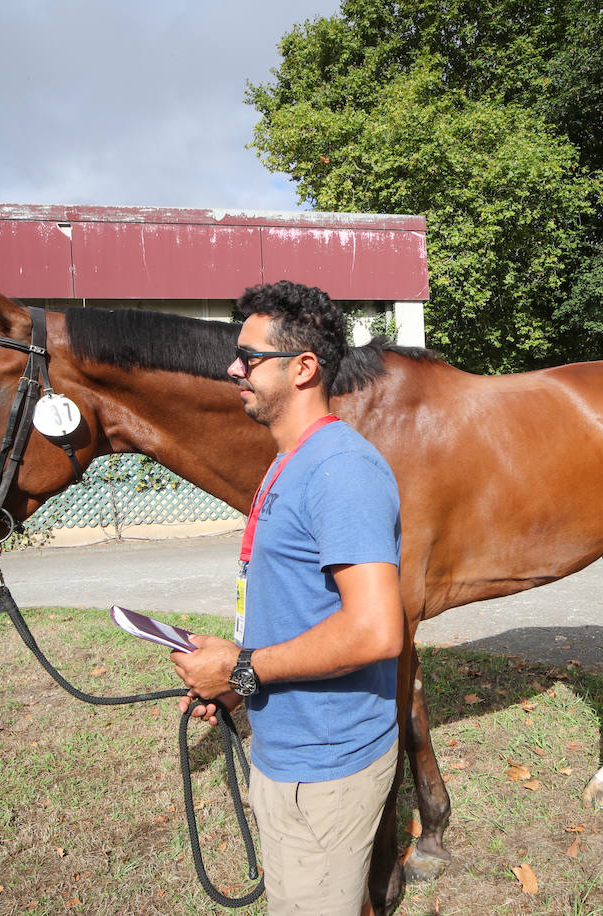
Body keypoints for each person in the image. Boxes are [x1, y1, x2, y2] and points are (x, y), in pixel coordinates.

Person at [170, 280, 404, 915]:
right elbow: (299, 606)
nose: (233, 368)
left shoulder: (340, 471)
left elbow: (377, 631)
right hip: (291, 751)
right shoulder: (288, 461)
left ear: (303, 368)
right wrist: (234, 680)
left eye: (249, 358)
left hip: (323, 766)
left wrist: (244, 669)